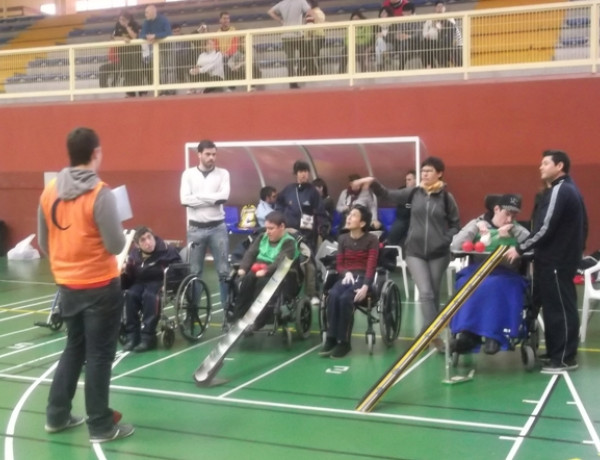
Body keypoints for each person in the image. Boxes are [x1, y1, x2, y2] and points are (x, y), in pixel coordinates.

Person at [37, 127, 133, 442]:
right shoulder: (100, 193)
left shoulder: (49, 190)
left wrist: (68, 261)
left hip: (67, 286)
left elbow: (44, 241)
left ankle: (57, 415)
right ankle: (101, 425)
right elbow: (116, 244)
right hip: (100, 286)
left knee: (74, 349)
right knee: (100, 356)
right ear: (95, 153)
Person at [353, 157, 460, 352]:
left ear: (439, 173)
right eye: (423, 171)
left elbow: (455, 224)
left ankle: (426, 332)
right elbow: (387, 194)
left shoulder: (446, 198)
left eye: (429, 171)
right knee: (426, 293)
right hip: (415, 252)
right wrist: (372, 182)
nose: (425, 174)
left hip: (439, 254)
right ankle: (434, 336)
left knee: (433, 294)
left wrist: (446, 239)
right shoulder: (413, 193)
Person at [506, 150, 588, 372]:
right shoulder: (566, 190)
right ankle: (555, 353)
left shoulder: (561, 190)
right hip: (555, 259)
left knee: (560, 308)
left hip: (556, 260)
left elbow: (545, 227)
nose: (540, 167)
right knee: (553, 308)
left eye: (545, 163)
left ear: (559, 166)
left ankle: (564, 359)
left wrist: (521, 248)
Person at [450, 194, 530, 354]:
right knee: (466, 284)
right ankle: (468, 334)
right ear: (496, 209)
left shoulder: (517, 228)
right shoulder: (477, 224)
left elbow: (532, 243)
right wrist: (475, 227)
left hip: (506, 274)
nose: (509, 219)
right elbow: (455, 245)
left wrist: (515, 232)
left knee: (495, 285)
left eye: (514, 216)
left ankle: (495, 336)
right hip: (477, 270)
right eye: (507, 214)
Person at [180, 139, 231, 324]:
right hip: (195, 229)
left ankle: (228, 313)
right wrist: (211, 198)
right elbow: (184, 200)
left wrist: (198, 198)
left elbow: (223, 197)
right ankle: (192, 313)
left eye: (214, 154)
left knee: (224, 272)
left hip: (218, 228)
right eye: (208, 154)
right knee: (194, 272)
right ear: (199, 154)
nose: (212, 158)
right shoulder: (188, 175)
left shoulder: (223, 174)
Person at [319, 205, 379, 358]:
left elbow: (371, 266)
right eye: (349, 215)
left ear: (362, 223)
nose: (349, 218)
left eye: (353, 215)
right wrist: (345, 273)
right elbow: (339, 264)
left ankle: (344, 342)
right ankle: (332, 338)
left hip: (363, 278)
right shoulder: (342, 239)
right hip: (347, 277)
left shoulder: (372, 240)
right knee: (333, 294)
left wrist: (366, 286)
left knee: (346, 299)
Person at [121, 226, 182, 352]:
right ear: (137, 245)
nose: (148, 242)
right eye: (143, 240)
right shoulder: (134, 254)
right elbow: (130, 276)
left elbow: (179, 269)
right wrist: (124, 273)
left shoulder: (167, 249)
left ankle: (148, 338)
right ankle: (132, 336)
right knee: (130, 295)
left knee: (150, 296)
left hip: (160, 281)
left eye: (149, 237)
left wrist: (169, 282)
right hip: (140, 282)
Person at [275, 160, 327, 305]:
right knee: (286, 262)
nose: (303, 174)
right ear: (296, 174)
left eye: (305, 171)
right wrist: (279, 219)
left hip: (307, 235)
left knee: (308, 263)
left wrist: (323, 226)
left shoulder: (313, 192)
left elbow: (321, 212)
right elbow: (278, 205)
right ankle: (286, 293)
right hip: (289, 233)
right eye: (300, 171)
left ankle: (313, 294)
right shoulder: (288, 190)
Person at [235, 211, 300, 328]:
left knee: (262, 284)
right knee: (246, 281)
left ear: (282, 227)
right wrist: (243, 268)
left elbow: (280, 261)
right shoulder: (262, 237)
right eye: (266, 228)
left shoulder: (289, 242)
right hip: (259, 268)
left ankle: (257, 321)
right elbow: (250, 253)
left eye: (271, 228)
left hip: (279, 273)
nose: (268, 231)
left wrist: (266, 270)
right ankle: (239, 317)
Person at [267, 0, 311, 89]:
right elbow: (309, 11)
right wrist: (305, 20)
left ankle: (292, 82)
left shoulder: (283, 3)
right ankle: (300, 72)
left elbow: (270, 12)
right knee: (305, 52)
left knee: (290, 59)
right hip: (297, 34)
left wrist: (281, 21)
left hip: (286, 35)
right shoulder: (301, 1)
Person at [140, 5, 173, 94]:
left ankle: (166, 89)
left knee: (164, 67)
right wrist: (147, 37)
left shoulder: (163, 19)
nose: (145, 14)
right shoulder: (147, 22)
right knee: (155, 67)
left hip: (165, 46)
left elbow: (168, 33)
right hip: (154, 48)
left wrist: (156, 36)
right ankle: (159, 88)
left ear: (152, 12)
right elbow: (141, 35)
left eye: (147, 12)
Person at [112, 10, 143, 97]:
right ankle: (130, 92)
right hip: (123, 51)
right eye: (120, 19)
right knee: (127, 71)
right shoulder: (117, 25)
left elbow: (135, 36)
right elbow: (114, 37)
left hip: (135, 50)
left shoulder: (135, 24)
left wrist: (127, 27)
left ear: (128, 19)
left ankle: (141, 91)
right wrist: (123, 39)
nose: (121, 21)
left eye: (123, 20)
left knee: (136, 71)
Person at [387, 170, 416, 245]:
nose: (407, 182)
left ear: (416, 180)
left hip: (417, 219)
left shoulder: (421, 191)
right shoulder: (401, 191)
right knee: (397, 229)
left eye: (409, 180)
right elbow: (402, 208)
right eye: (406, 180)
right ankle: (389, 250)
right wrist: (411, 206)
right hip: (403, 218)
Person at [215, 11, 239, 88]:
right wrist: (221, 53)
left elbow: (234, 46)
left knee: (226, 61)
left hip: (232, 54)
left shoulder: (234, 31)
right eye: (224, 18)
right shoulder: (217, 33)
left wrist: (227, 53)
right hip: (221, 55)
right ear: (220, 20)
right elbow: (216, 47)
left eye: (228, 18)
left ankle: (230, 86)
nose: (226, 20)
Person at [303, 0, 326, 75]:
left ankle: (317, 71)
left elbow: (309, 26)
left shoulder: (311, 13)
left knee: (314, 54)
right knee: (315, 54)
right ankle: (318, 70)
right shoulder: (321, 12)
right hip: (321, 35)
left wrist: (306, 36)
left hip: (314, 36)